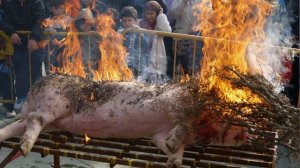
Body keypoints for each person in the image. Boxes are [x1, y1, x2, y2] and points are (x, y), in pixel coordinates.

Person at [2, 0, 46, 111]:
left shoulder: (37, 2)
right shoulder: (8, 3)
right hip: (17, 43)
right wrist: (11, 32)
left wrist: (34, 38)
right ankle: (22, 98)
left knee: (36, 71)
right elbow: (4, 21)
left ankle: (38, 99)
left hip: (35, 43)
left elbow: (40, 21)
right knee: (20, 70)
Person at [139, 1, 171, 83]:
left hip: (156, 67)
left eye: (151, 13)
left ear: (156, 13)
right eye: (147, 13)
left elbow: (167, 31)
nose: (149, 16)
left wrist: (161, 15)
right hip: (142, 65)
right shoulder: (140, 23)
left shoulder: (159, 24)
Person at [168, 0, 202, 75]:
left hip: (196, 39)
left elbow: (207, 17)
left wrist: (197, 27)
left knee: (193, 69)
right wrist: (183, 2)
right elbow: (173, 14)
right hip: (180, 38)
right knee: (179, 69)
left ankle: (192, 85)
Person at [118, 6, 149, 78]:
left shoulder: (140, 31)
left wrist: (139, 32)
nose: (127, 23)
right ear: (121, 21)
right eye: (124, 20)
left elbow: (146, 45)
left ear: (135, 20)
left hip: (139, 67)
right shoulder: (120, 32)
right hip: (123, 66)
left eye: (129, 20)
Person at [42, 0, 74, 69]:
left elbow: (74, 31)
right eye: (56, 8)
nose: (58, 11)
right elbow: (42, 31)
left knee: (66, 70)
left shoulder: (69, 20)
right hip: (51, 50)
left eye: (61, 8)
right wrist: (47, 30)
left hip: (65, 50)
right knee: (51, 71)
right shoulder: (47, 21)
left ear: (64, 8)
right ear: (51, 9)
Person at [0, 0, 16, 117]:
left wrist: (8, 56)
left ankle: (9, 108)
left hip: (4, 55)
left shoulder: (5, 11)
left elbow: (8, 33)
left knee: (7, 81)